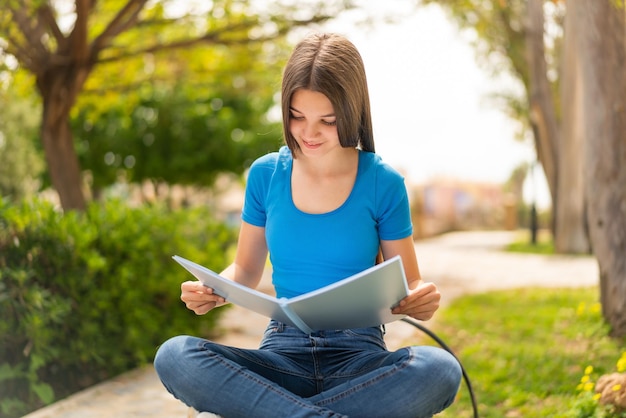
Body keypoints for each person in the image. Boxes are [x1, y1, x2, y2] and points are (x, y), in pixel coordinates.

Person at [154, 32, 462, 418]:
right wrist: (214, 288)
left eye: (327, 121)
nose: (309, 133)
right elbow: (247, 269)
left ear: (352, 113)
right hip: (282, 354)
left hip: (359, 358)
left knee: (440, 369)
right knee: (176, 355)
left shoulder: (384, 182)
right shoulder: (266, 175)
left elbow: (409, 284)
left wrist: (422, 298)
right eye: (297, 116)